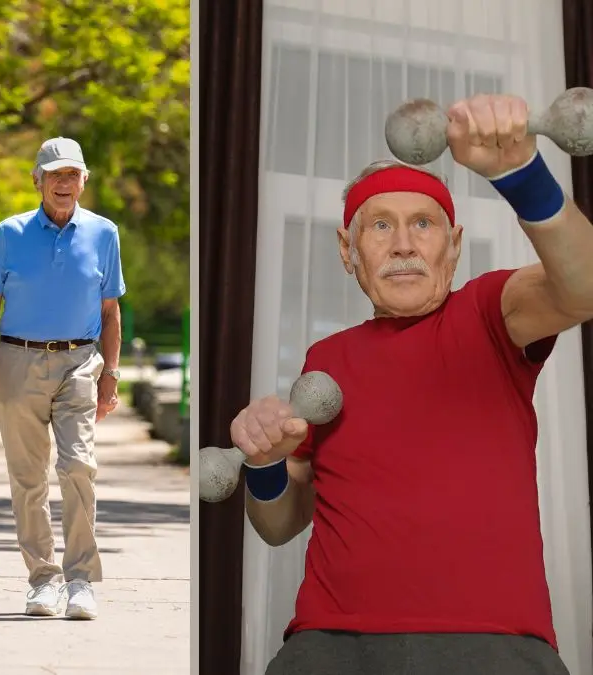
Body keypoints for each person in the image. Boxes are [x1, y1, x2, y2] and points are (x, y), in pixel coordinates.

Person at [234, 91, 588, 675]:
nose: (403, 244)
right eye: (380, 226)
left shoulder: (488, 313)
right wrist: (268, 464)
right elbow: (279, 525)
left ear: (452, 246)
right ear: (348, 252)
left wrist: (521, 174)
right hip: (329, 648)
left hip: (494, 647)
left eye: (423, 224)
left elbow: (584, 287)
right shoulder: (327, 357)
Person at [0, 136, 126, 620]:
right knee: (28, 477)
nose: (63, 183)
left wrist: (111, 376)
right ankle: (43, 580)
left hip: (80, 362)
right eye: (54, 174)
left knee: (78, 466)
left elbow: (111, 311)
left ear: (83, 182)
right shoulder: (10, 233)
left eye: (72, 174)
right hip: (17, 361)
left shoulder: (104, 233)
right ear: (37, 180)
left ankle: (80, 580)